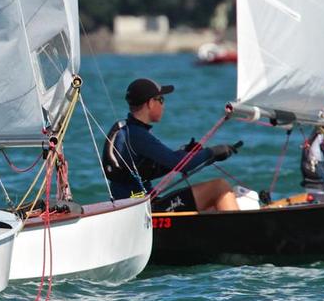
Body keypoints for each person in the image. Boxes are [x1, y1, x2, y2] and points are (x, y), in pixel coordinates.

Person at [103, 78, 240, 212]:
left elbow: (161, 165)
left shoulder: (129, 130)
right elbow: (178, 163)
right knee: (219, 187)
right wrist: (212, 152)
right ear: (150, 103)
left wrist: (188, 152)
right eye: (161, 100)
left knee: (211, 206)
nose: (163, 105)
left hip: (137, 204)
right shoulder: (137, 135)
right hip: (144, 210)